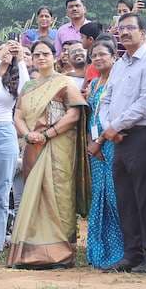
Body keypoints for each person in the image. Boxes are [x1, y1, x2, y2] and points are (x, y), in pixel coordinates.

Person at [8, 37, 87, 268]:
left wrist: (48, 134)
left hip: (58, 147)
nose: (41, 58)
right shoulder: (29, 86)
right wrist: (27, 135)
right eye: (36, 55)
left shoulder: (65, 82)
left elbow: (74, 114)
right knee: (35, 196)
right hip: (33, 146)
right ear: (31, 59)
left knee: (58, 197)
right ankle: (31, 253)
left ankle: (61, 254)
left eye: (45, 54)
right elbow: (18, 116)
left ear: (55, 56)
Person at [98, 11, 146, 273]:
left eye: (130, 28)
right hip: (120, 139)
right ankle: (132, 254)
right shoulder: (120, 64)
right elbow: (106, 100)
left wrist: (116, 126)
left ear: (143, 32)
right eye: (121, 29)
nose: (124, 33)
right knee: (125, 198)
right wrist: (108, 128)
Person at [0, 38, 26, 259]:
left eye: (9, 49)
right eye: (0, 49)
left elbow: (26, 90)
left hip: (5, 130)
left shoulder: (15, 77)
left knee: (2, 191)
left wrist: (20, 60)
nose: (5, 52)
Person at [85, 39, 123, 269]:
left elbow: (117, 116)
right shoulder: (95, 83)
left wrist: (99, 142)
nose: (98, 58)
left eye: (102, 54)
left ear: (113, 56)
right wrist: (91, 141)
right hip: (95, 148)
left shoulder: (118, 82)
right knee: (99, 195)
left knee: (114, 196)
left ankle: (121, 251)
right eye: (94, 55)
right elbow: (91, 117)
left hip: (111, 143)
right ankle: (99, 251)